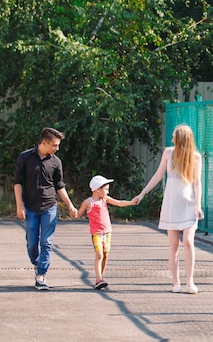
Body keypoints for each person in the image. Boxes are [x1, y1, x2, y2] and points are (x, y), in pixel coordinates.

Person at [134, 124, 204, 294]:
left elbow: (197, 183)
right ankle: (176, 283)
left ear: (181, 139)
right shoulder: (168, 153)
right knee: (173, 244)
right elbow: (158, 175)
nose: (171, 139)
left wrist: (198, 206)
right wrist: (142, 193)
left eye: (174, 137)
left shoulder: (195, 157)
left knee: (188, 241)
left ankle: (190, 282)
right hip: (171, 204)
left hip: (189, 204)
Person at [14, 127, 78, 290]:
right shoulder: (26, 157)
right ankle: (37, 263)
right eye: (55, 145)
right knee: (31, 243)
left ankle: (41, 275)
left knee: (47, 243)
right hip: (30, 208)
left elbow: (59, 186)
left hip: (50, 207)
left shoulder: (56, 162)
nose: (57, 149)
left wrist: (70, 205)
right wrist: (19, 205)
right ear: (44, 142)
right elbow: (18, 183)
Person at [76, 175, 137, 290]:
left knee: (105, 255)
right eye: (106, 189)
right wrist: (73, 212)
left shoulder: (105, 199)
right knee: (99, 255)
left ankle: (100, 277)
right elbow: (78, 214)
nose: (107, 191)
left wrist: (131, 202)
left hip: (107, 232)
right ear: (97, 189)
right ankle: (99, 279)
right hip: (96, 233)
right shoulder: (88, 202)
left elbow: (119, 202)